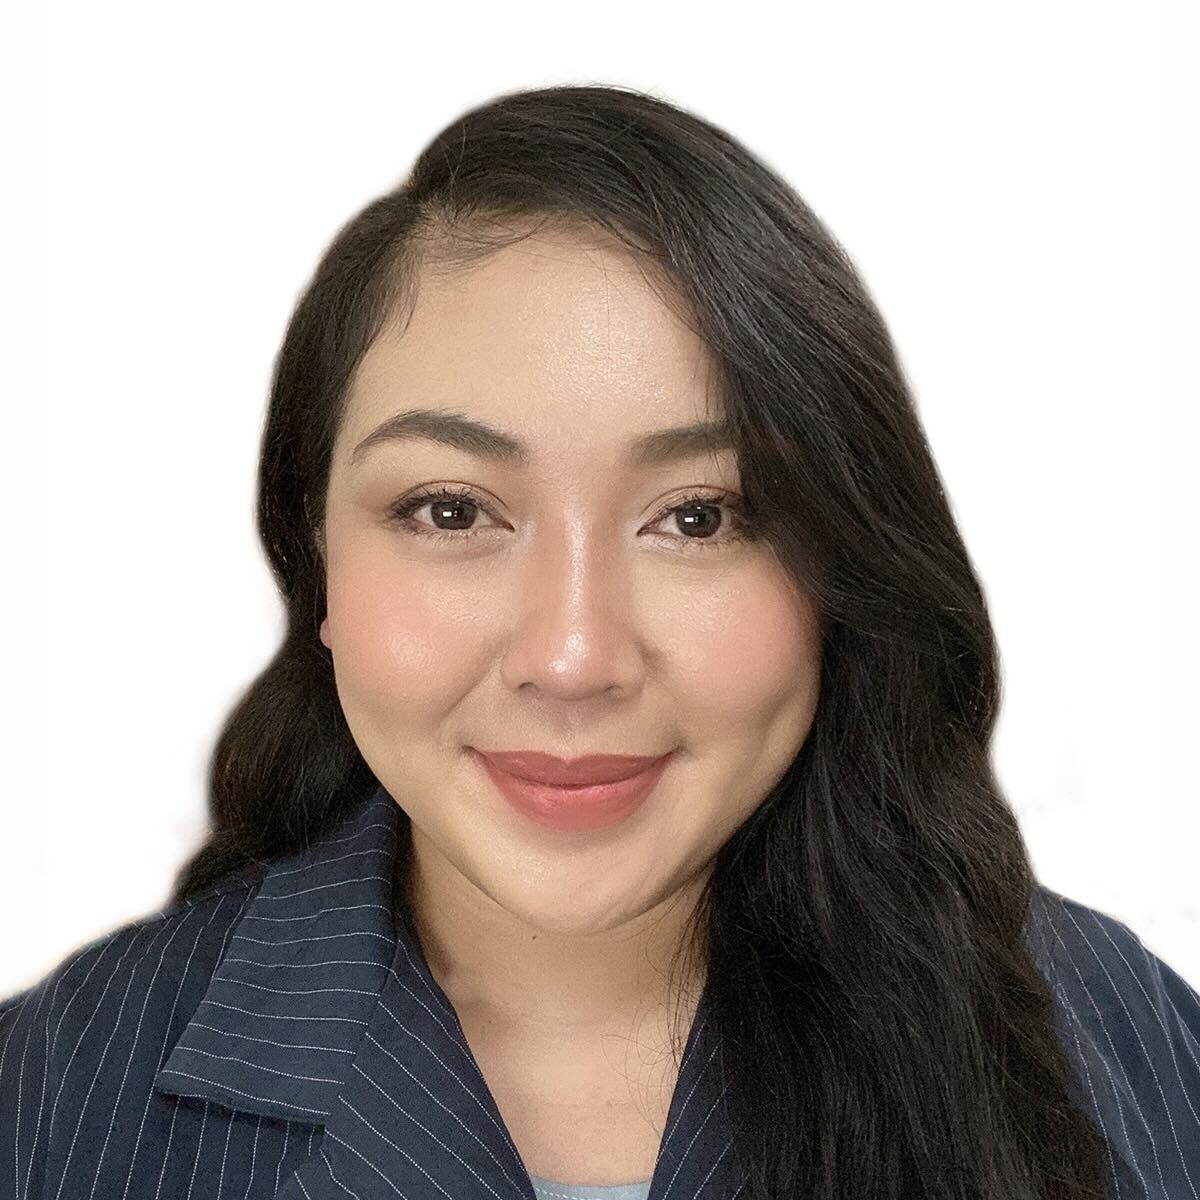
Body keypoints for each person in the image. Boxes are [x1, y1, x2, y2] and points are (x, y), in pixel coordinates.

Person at [2, 83, 1197, 1200]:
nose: (572, 657)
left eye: (700, 515)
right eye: (452, 511)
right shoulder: (49, 1094)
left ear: (843, 566)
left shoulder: (1128, 1037)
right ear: (317, 562)